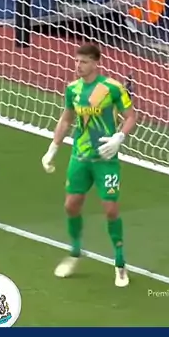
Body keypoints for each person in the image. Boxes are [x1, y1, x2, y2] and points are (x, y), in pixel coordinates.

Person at [41, 43, 137, 287]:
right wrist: (52, 148)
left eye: (83, 62)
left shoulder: (112, 88)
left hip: (106, 160)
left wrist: (119, 137)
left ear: (96, 63)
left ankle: (120, 263)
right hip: (80, 157)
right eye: (77, 61)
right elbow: (66, 120)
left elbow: (131, 117)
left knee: (110, 209)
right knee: (71, 205)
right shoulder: (72, 89)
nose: (78, 66)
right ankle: (75, 252)